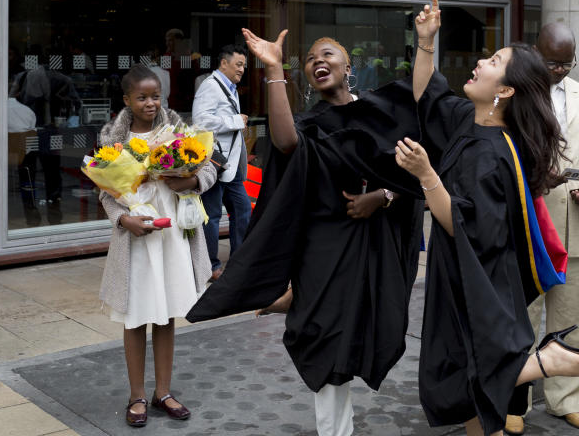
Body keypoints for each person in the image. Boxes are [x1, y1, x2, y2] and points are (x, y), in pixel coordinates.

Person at [188, 31, 427, 436]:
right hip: (323, 246)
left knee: (364, 330)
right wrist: (274, 67)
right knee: (325, 338)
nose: (318, 61)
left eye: (328, 54)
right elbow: (284, 141)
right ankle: (336, 431)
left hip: (374, 245)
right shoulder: (311, 124)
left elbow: (413, 176)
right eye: (311, 58)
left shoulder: (381, 114)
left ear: (348, 67)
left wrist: (382, 197)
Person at [396, 0, 579, 436]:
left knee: (465, 377)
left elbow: (462, 224)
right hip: (462, 274)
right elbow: (427, 95)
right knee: (468, 389)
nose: (479, 61)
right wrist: (426, 42)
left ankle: (549, 360)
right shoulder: (472, 121)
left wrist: (426, 174)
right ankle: (544, 363)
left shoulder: (491, 153)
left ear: (505, 90)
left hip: (478, 283)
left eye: (492, 61)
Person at [505, 24, 579, 434]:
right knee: (521, 318)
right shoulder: (512, 93)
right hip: (528, 222)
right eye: (553, 62)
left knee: (578, 319)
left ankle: (569, 399)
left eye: (567, 63)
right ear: (535, 53)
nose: (560, 70)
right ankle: (515, 398)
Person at [98, 65, 215, 428]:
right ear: (127, 100)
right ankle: (136, 394)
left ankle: (162, 392)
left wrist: (192, 179)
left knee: (166, 315)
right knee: (136, 315)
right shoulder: (113, 138)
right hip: (136, 235)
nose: (150, 103)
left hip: (172, 234)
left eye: (156, 96)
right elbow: (107, 190)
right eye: (142, 97)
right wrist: (122, 220)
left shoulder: (179, 130)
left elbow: (210, 170)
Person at [192, 44, 253, 280]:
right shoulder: (210, 86)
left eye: (244, 66)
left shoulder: (230, 87)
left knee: (242, 209)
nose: (242, 70)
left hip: (231, 163)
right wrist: (236, 120)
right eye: (238, 65)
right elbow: (201, 121)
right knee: (212, 214)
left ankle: (238, 263)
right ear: (224, 63)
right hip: (213, 163)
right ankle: (211, 266)